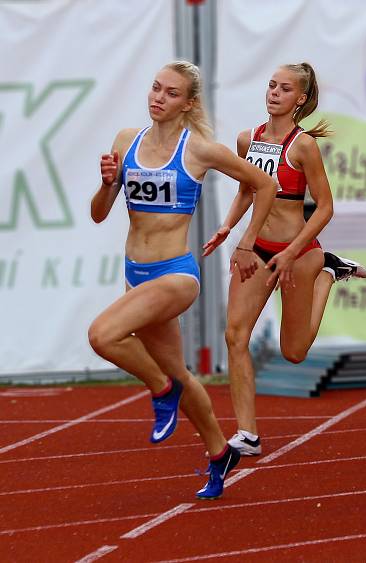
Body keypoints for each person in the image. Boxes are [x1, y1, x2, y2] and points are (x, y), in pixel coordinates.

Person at [88, 61, 279, 499]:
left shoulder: (199, 150)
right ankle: (218, 453)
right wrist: (105, 184)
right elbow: (99, 213)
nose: (158, 97)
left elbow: (264, 186)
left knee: (102, 335)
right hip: (135, 275)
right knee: (183, 374)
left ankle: (161, 388)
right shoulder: (125, 141)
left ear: (188, 103)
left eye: (171, 93)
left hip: (175, 274)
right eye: (155, 88)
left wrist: (246, 241)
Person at [202, 62, 366, 456]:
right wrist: (228, 226)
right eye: (272, 86)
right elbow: (248, 190)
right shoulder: (248, 139)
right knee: (234, 335)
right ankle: (248, 433)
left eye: (285, 88)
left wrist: (295, 253)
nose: (274, 93)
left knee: (294, 352)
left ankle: (328, 271)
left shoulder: (303, 146)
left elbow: (325, 208)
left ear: (301, 99)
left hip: (299, 253)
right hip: (257, 251)